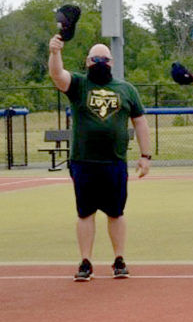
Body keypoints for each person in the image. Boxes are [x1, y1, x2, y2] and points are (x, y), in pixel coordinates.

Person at [47, 35, 152, 282]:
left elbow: (140, 122)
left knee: (116, 212)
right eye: (96, 58)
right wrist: (54, 52)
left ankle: (119, 260)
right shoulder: (79, 84)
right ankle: (85, 261)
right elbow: (57, 75)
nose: (100, 62)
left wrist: (145, 155)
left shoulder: (126, 89)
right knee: (85, 213)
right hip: (84, 161)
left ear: (112, 62)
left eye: (104, 58)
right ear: (87, 61)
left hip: (114, 162)